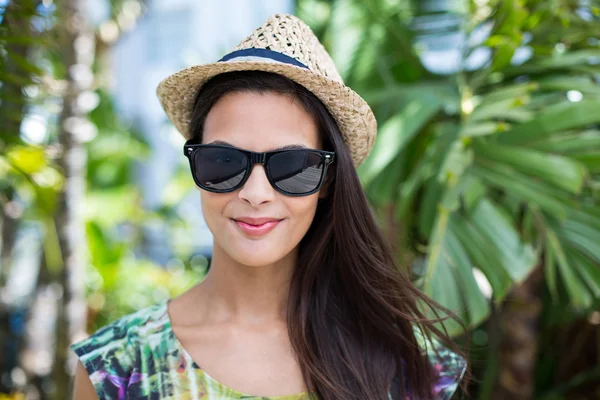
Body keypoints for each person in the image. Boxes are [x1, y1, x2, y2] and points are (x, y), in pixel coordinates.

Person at [71, 13, 469, 400]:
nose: (255, 192)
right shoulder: (117, 367)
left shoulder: (410, 365)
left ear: (328, 181)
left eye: (292, 166)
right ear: (195, 163)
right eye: (224, 162)